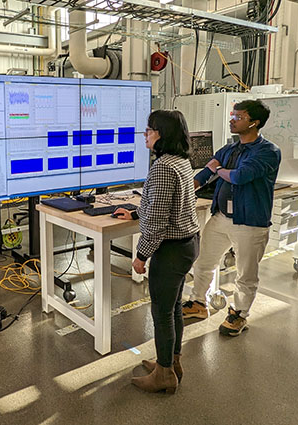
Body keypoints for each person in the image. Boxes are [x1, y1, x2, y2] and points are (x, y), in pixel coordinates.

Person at [114, 110, 200, 393]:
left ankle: (163, 375)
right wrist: (136, 212)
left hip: (172, 249)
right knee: (173, 306)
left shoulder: (163, 167)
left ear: (160, 134)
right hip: (188, 243)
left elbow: (159, 220)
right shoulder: (181, 162)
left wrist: (141, 255)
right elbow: (160, 205)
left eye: (149, 130)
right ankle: (171, 363)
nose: (144, 134)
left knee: (161, 312)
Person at [182, 99, 281, 337]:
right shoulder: (230, 149)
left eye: (239, 117)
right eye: (232, 115)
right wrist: (185, 190)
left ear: (254, 123)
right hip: (221, 216)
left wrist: (217, 169)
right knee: (204, 261)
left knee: (245, 274)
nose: (232, 120)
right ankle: (198, 303)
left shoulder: (268, 151)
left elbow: (239, 176)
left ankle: (239, 314)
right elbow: (206, 172)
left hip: (249, 222)